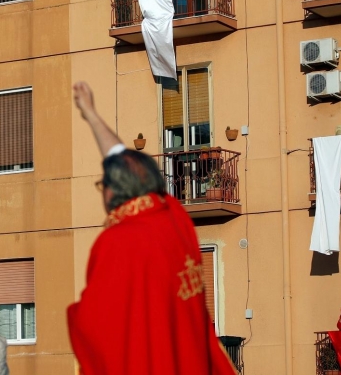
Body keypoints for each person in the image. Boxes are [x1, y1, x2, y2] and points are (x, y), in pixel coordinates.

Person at [67, 81, 237, 375]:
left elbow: (95, 323)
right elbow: (123, 159)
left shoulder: (117, 241)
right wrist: (91, 113)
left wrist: (75, 315)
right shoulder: (173, 217)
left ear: (111, 191)